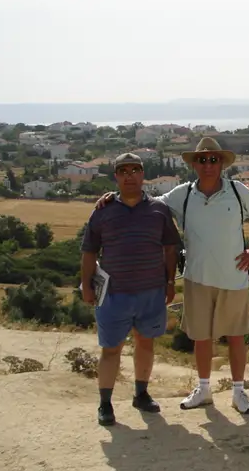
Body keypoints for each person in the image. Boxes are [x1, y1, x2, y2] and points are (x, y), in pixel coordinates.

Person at [95, 137, 249, 414]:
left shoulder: (238, 191)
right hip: (197, 277)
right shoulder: (183, 194)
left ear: (222, 163)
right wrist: (113, 198)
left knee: (236, 337)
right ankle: (203, 389)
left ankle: (239, 392)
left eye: (213, 159)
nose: (208, 164)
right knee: (201, 338)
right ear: (194, 164)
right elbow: (148, 204)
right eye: (202, 159)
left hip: (234, 278)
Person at [81, 153, 180, 426]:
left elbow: (170, 249)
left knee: (145, 343)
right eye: (123, 171)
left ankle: (141, 394)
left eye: (134, 170)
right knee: (111, 349)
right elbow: (89, 250)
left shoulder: (159, 210)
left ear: (142, 174)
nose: (129, 175)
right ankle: (105, 404)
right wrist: (86, 285)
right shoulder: (103, 210)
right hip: (114, 294)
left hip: (151, 292)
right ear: (116, 176)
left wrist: (170, 282)